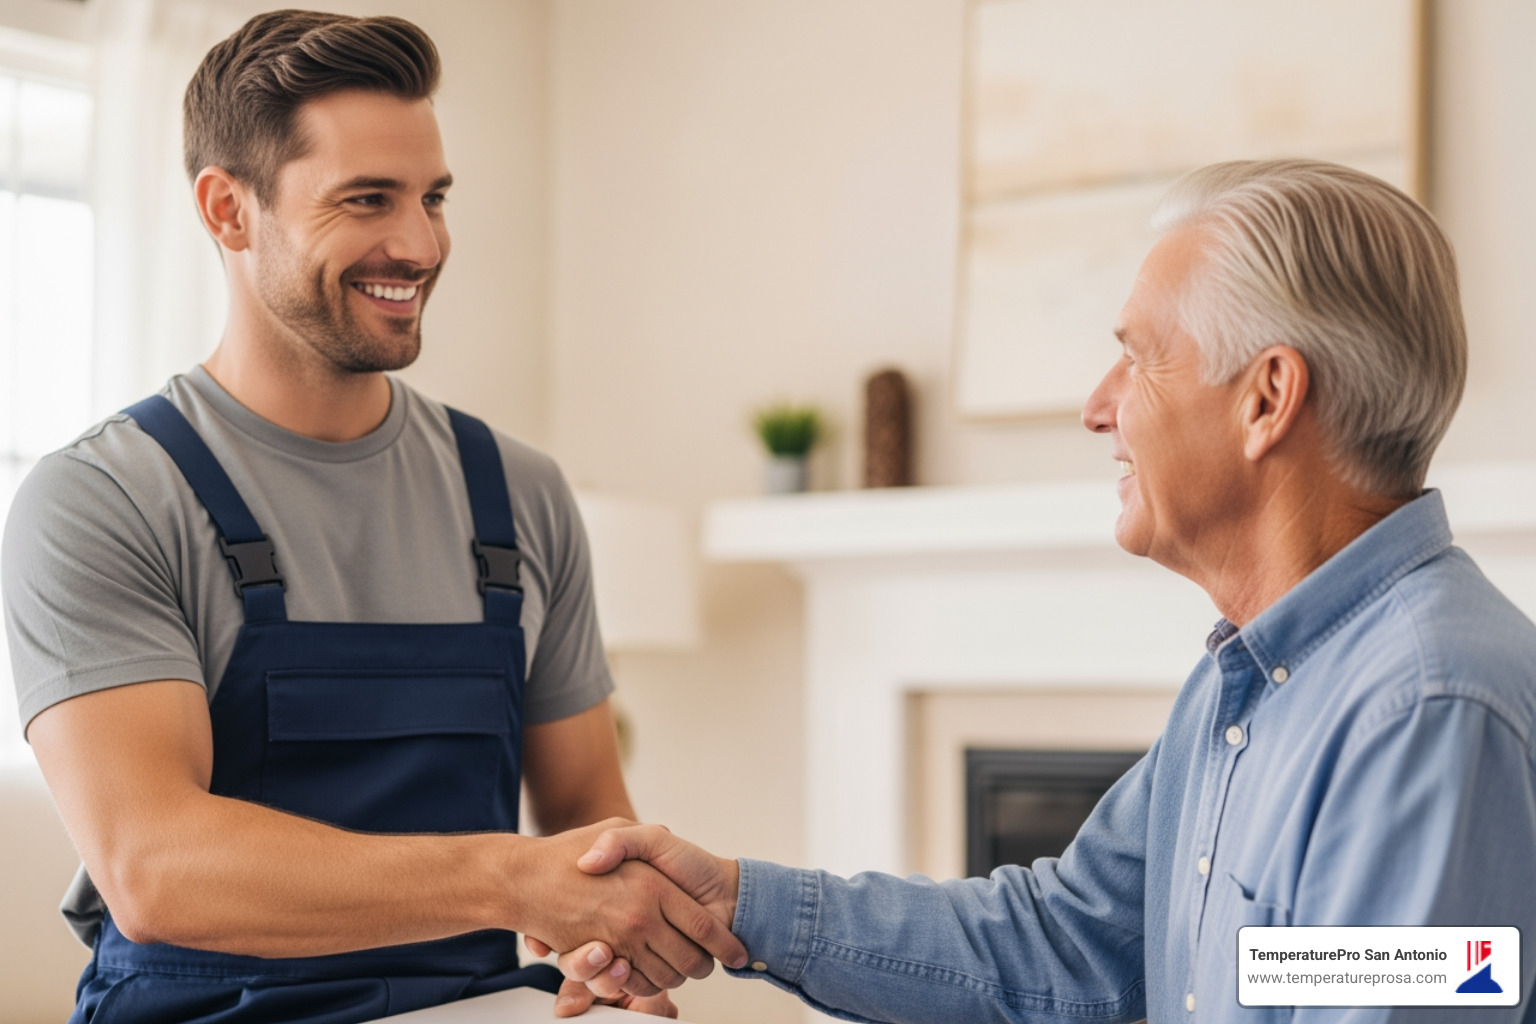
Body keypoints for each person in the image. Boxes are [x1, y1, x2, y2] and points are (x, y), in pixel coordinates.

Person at [546, 160, 1536, 1022]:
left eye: (1138, 358)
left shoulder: (1429, 708)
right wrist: (734, 903)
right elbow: (1067, 940)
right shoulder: (1248, 686)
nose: (1097, 406)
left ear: (1267, 398)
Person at [1, 11, 744, 1024]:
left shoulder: (520, 493)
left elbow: (586, 815)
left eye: (433, 197)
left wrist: (613, 954)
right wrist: (510, 878)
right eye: (368, 199)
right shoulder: (105, 498)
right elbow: (156, 867)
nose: (422, 244)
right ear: (228, 209)